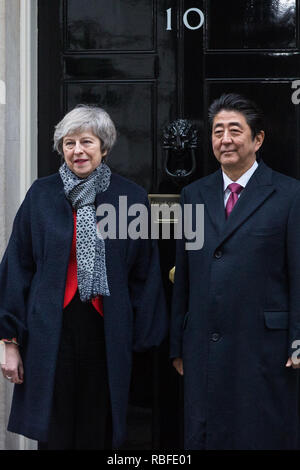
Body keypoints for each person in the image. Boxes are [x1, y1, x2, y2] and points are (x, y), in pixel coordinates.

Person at [0, 104, 167, 450]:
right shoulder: (41, 196)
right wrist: (9, 341)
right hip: (50, 333)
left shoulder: (130, 197)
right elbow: (18, 266)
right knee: (56, 430)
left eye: (87, 142)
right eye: (69, 143)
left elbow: (144, 273)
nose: (78, 151)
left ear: (103, 147)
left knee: (100, 429)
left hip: (107, 332)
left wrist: (142, 339)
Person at [170, 93, 300, 450]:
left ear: (257, 139)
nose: (224, 139)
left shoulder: (289, 195)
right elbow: (186, 274)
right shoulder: (194, 195)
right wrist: (177, 343)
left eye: (234, 130)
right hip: (203, 346)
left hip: (264, 347)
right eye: (217, 131)